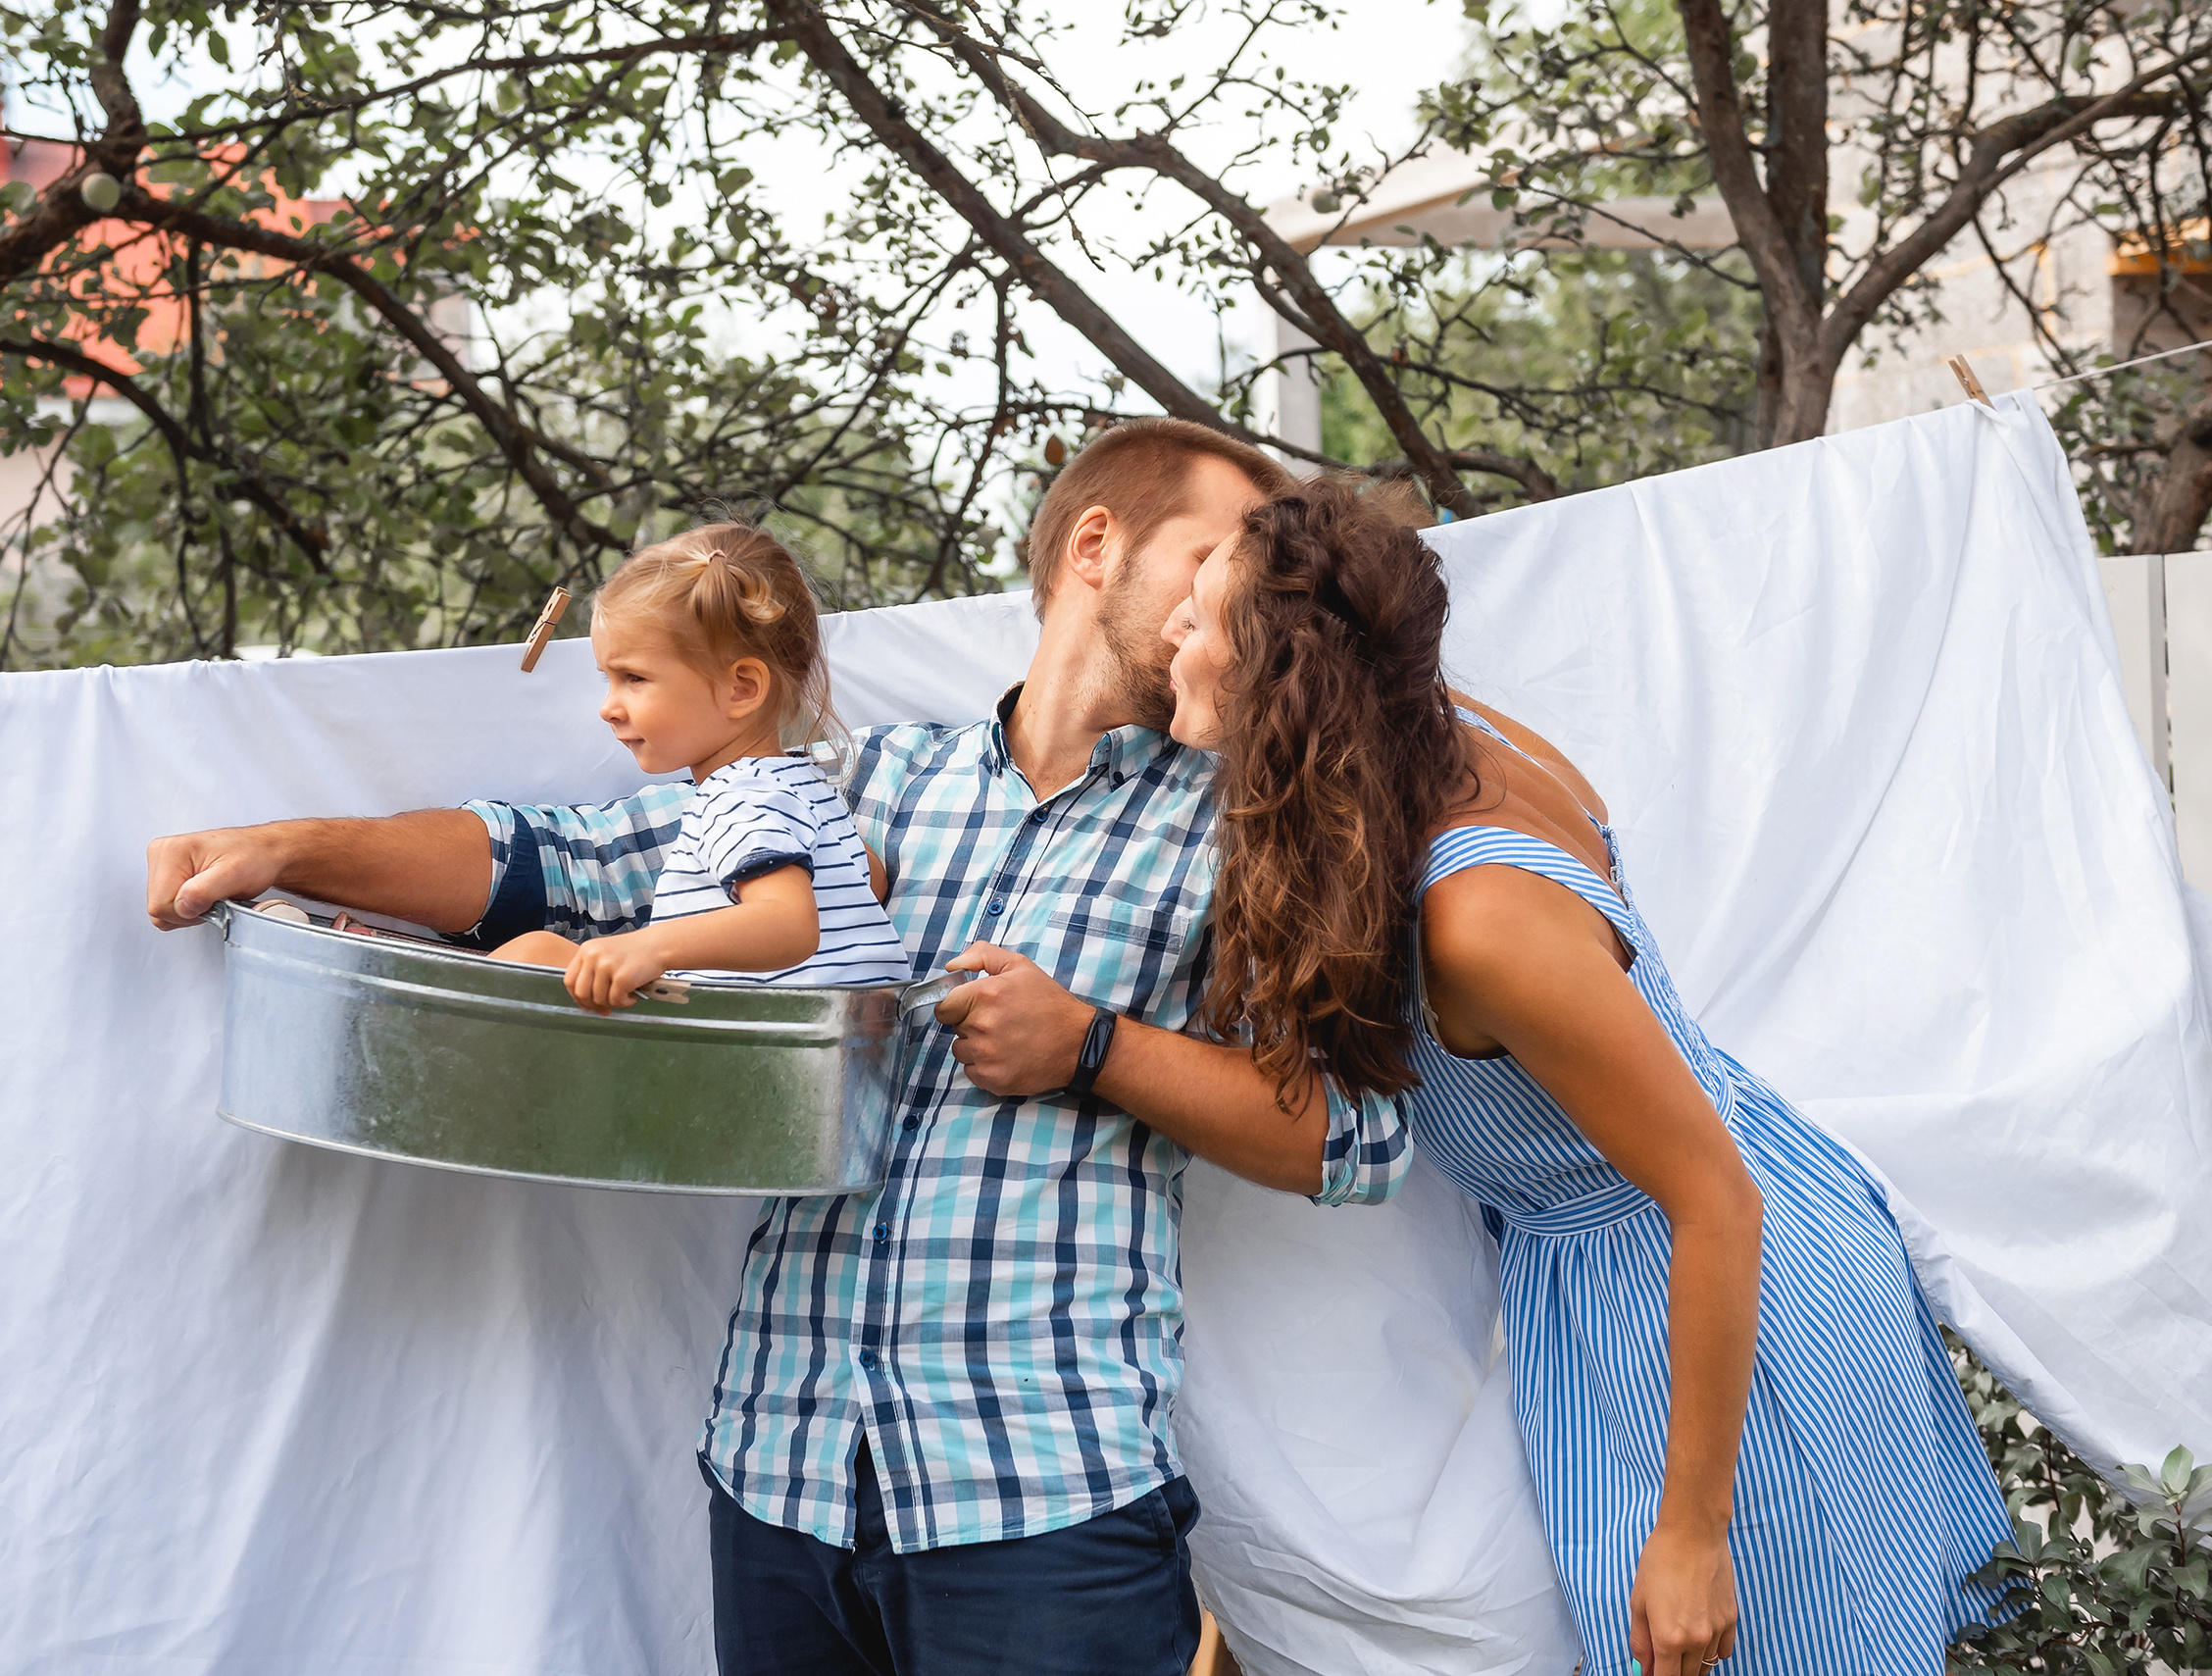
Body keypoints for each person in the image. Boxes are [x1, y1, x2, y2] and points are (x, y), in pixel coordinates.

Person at [142, 419, 1415, 1676]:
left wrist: (1091, 1045)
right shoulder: (855, 783)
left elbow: (1356, 1139)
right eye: (1208, 551)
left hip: (1042, 1493)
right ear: (1098, 544)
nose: (1225, 592)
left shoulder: (1248, 820)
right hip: (779, 1472)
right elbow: (575, 860)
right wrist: (288, 847)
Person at [1157, 474, 2016, 1676]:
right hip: (1654, 1259)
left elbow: (1713, 1195)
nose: (1171, 636)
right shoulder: (1439, 742)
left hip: (1703, 1286)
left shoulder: (1476, 915)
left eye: (1199, 618)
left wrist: (1691, 1532)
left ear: (1284, 676)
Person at [481, 524, 909, 1011]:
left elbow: (788, 923)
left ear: (741, 689)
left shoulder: (739, 797)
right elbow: (869, 878)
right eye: (609, 679)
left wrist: (651, 945)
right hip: (847, 1048)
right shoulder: (801, 783)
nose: (608, 707)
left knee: (536, 953)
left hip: (758, 1043)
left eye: (633, 678)